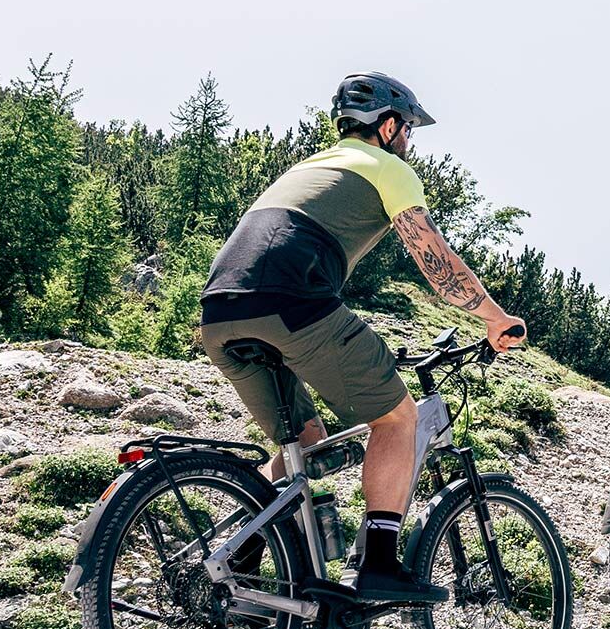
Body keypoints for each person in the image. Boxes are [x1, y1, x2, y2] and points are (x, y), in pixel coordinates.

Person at [200, 72, 525, 602]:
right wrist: (493, 316)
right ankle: (377, 563)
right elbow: (436, 261)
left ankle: (240, 574)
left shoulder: (310, 167)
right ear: (389, 126)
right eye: (409, 130)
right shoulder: (388, 168)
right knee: (398, 418)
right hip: (292, 303)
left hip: (220, 311)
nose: (410, 142)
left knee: (305, 444)